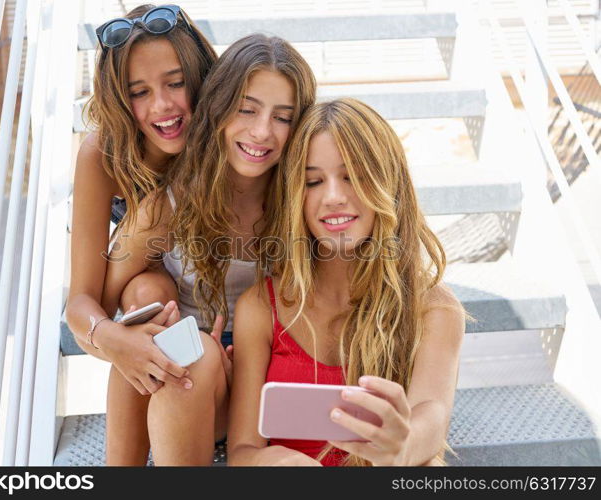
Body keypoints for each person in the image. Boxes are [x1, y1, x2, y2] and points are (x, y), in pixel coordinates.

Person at [100, 33, 316, 465]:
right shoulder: (168, 203)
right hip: (188, 375)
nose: (261, 131)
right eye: (247, 109)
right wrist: (138, 333)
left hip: (266, 376)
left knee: (196, 357)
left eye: (282, 117)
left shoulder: (302, 200)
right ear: (218, 108)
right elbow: (104, 309)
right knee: (148, 301)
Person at [227, 98, 466, 466]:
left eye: (353, 176)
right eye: (313, 181)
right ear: (295, 196)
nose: (334, 197)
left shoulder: (434, 308)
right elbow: (243, 451)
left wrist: (400, 447)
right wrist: (272, 462)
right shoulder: (260, 307)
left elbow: (431, 416)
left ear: (388, 184)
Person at [63, 4, 216, 465]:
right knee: (147, 289)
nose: (162, 106)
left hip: (237, 331)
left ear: (202, 78)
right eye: (139, 92)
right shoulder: (104, 155)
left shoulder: (235, 139)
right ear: (117, 99)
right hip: (161, 325)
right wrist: (110, 337)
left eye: (175, 83)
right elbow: (84, 302)